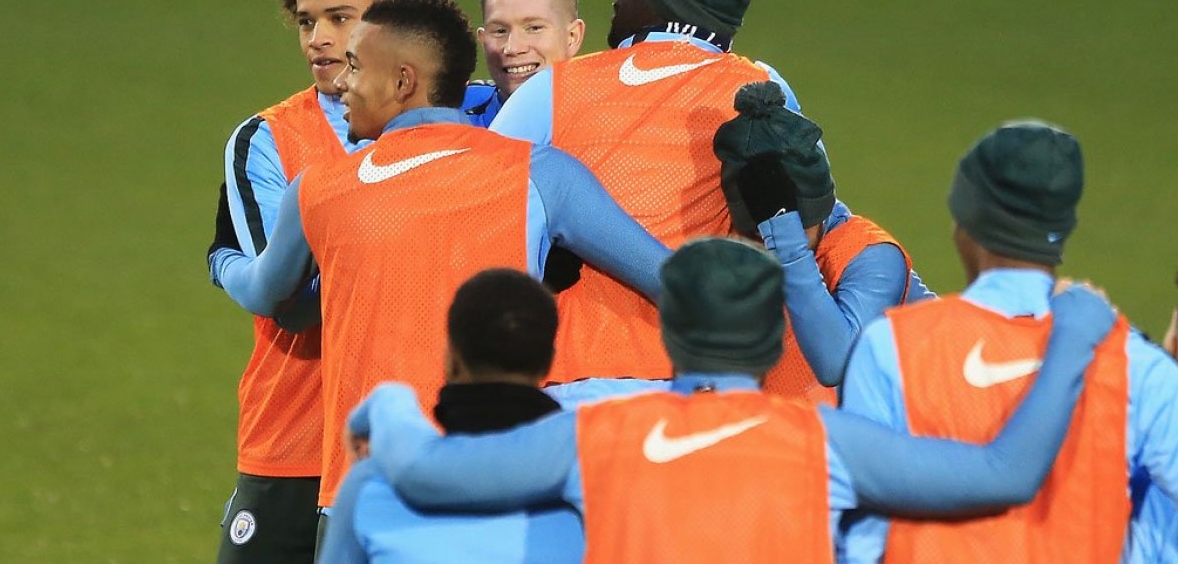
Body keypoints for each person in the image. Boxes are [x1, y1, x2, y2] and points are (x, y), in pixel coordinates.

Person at [351, 237, 1118, 564]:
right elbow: (1006, 473)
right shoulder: (829, 441)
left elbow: (422, 471)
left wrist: (383, 401)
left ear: (671, 329)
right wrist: (1072, 340)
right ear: (775, 338)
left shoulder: (595, 432)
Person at [208, 0, 670, 513]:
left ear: (403, 82)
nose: (341, 83)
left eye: (356, 66)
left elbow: (273, 299)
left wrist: (224, 261)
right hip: (504, 488)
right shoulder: (542, 175)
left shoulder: (318, 190)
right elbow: (673, 280)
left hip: (369, 496)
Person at [488, 0, 809, 382]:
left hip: (565, 374)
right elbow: (804, 218)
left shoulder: (553, 87)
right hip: (698, 375)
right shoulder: (761, 88)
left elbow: (476, 211)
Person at [837, 121, 1178, 563]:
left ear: (964, 224)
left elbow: (861, 541)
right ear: (1063, 228)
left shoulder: (891, 347)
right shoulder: (1134, 364)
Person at [210, 0, 437, 564]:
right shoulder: (268, 140)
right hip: (296, 441)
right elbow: (290, 303)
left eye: (340, 18)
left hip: (420, 438)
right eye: (307, 21)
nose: (318, 39)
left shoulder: (463, 123)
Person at [317, 268, 584, 563]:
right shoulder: (591, 479)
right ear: (548, 362)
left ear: (450, 361)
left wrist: (388, 401)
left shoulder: (369, 487)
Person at [715, 81, 933, 404]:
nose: (766, 243)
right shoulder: (732, 240)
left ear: (818, 211)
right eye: (755, 234)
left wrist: (788, 245)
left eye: (788, 228)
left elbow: (835, 364)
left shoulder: (872, 255)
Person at [459, 0, 585, 128]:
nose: (513, 48)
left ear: (572, 37)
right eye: (500, 31)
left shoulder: (611, 121)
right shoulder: (447, 112)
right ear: (483, 39)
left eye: (534, 28)